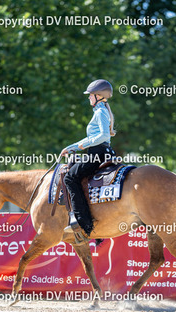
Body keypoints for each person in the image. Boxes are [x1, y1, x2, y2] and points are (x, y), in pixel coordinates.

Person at [60, 79, 116, 241]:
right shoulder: (101, 111)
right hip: (101, 151)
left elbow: (103, 135)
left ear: (98, 96)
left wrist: (84, 145)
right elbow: (94, 137)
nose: (88, 97)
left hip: (98, 153)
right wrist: (72, 147)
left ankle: (83, 222)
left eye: (90, 95)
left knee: (70, 178)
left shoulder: (100, 112)